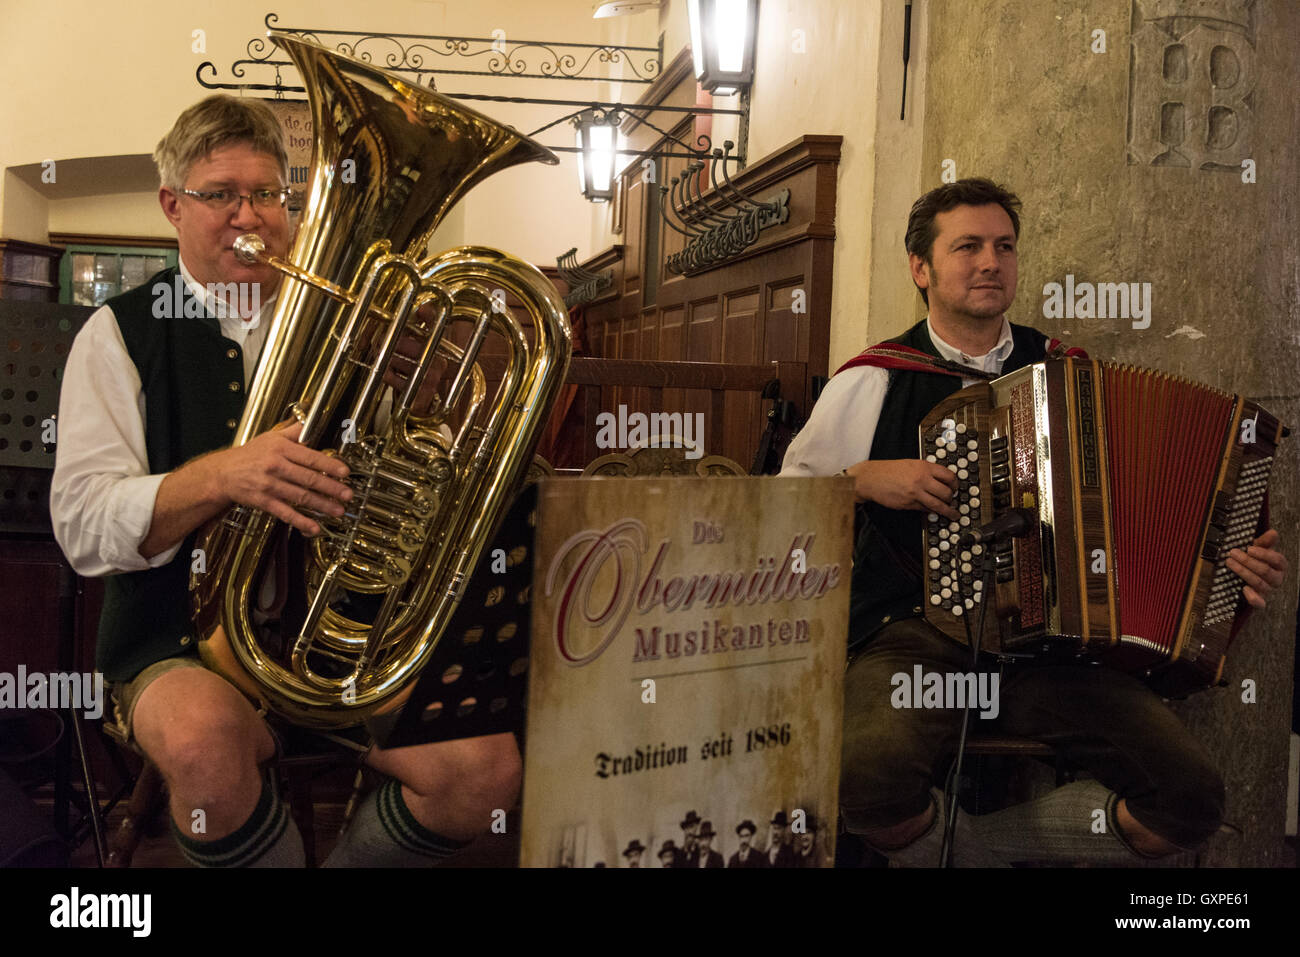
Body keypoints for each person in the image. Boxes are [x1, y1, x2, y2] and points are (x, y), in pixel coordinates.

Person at [50, 94, 520, 868]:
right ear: (172, 205)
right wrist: (223, 476)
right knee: (204, 749)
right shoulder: (118, 335)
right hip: (175, 642)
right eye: (221, 195)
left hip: (340, 641)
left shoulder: (348, 324)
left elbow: (416, 481)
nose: (251, 216)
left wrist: (423, 395)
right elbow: (83, 524)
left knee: (483, 770)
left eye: (267, 193)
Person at [780, 178, 1288, 866]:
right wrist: (860, 480)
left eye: (1004, 246)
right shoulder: (873, 380)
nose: (991, 261)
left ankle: (979, 848)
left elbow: (1161, 504)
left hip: (1052, 651)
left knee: (1191, 800)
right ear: (921, 268)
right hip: (915, 641)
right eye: (968, 246)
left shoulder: (1070, 375)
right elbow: (782, 521)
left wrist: (1225, 559)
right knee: (865, 779)